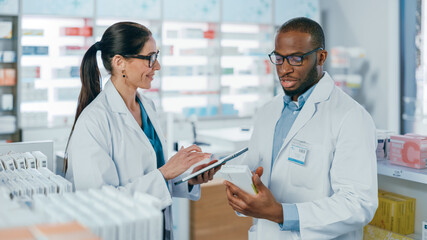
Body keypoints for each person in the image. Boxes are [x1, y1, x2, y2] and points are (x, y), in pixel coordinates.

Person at [224, 17, 378, 239]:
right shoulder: (268, 112)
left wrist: (281, 213)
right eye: (279, 58)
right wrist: (242, 193)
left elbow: (358, 204)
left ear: (321, 57)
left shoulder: (350, 116)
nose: (284, 69)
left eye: (296, 59)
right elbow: (257, 174)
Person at [65, 22, 219, 240]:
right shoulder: (93, 121)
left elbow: (150, 175)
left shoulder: (147, 106)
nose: (157, 67)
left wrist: (186, 178)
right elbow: (99, 202)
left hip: (158, 228)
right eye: (150, 58)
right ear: (120, 63)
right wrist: (165, 173)